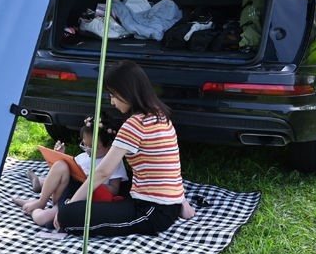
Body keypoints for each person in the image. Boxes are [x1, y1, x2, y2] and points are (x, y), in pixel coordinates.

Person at [55, 60, 195, 237]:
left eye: (113, 95)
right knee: (97, 182)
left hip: (151, 212)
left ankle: (59, 209)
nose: (112, 101)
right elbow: (169, 166)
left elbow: (103, 172)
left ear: (127, 92)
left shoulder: (135, 124)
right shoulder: (160, 114)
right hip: (166, 202)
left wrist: (71, 205)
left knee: (68, 215)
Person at [13, 113, 129, 228]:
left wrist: (92, 181)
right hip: (66, 192)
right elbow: (63, 174)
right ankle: (41, 201)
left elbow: (114, 190)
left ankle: (32, 206)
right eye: (85, 145)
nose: (88, 150)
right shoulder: (83, 157)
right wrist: (59, 156)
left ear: (109, 145)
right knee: (60, 165)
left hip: (79, 199)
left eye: (94, 147)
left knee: (43, 218)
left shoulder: (113, 162)